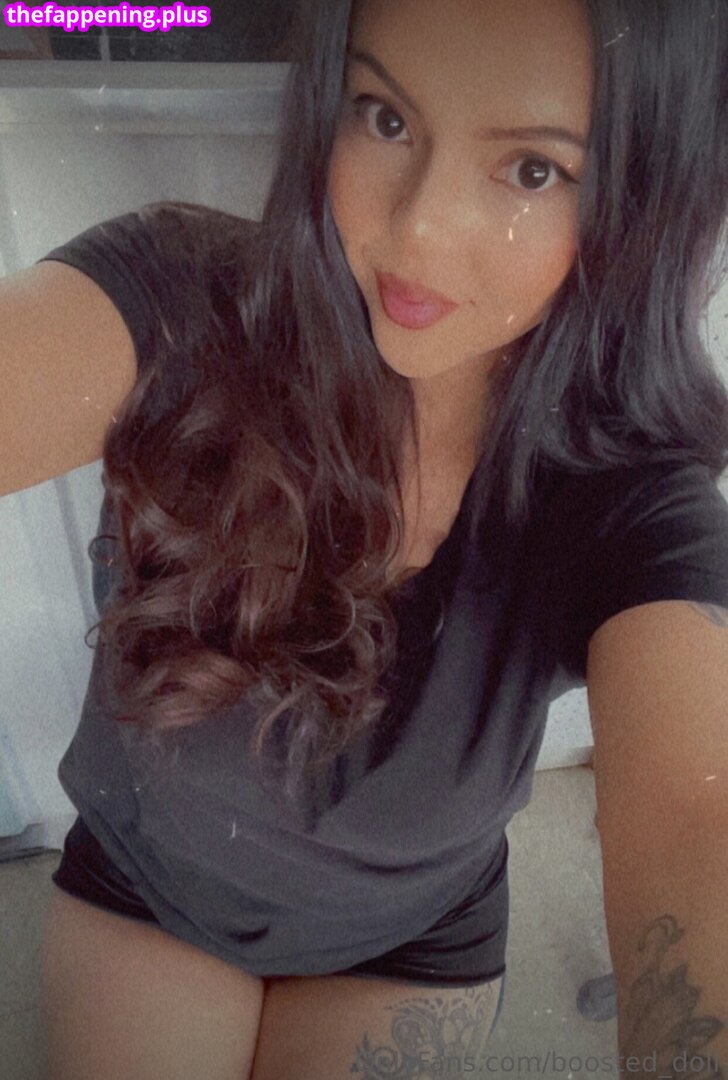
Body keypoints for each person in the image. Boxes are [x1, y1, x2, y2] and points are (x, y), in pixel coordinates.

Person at [1, 0, 727, 1077]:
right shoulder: (181, 304)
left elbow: (694, 816)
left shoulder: (627, 494)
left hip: (406, 945)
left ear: (642, 197)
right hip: (150, 892)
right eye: (385, 117)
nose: (416, 229)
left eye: (533, 170)